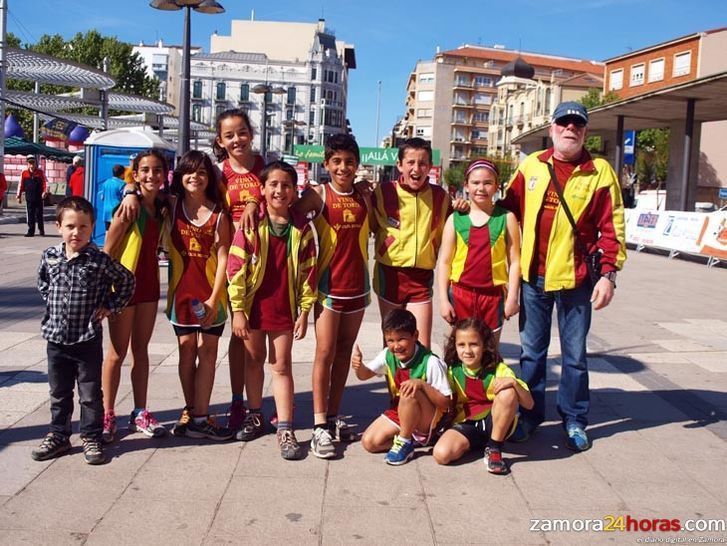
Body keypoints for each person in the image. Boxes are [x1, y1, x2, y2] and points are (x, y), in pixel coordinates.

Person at [499, 101, 626, 451]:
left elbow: (612, 227)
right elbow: (506, 210)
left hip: (577, 280)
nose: (570, 129)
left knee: (574, 355)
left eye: (578, 125)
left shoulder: (599, 171)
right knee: (531, 354)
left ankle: (574, 418)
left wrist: (608, 276)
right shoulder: (532, 165)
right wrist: (469, 211)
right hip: (533, 279)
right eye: (564, 123)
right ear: (552, 128)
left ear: (585, 131)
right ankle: (529, 416)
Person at [32, 196, 135, 465]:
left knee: (90, 393)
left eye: (83, 227)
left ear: (92, 229)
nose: (76, 232)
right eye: (70, 226)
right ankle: (59, 435)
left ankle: (91, 436)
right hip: (56, 339)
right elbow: (43, 281)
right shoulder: (50, 256)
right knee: (59, 392)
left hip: (86, 339)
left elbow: (126, 281)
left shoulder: (99, 260)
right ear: (59, 227)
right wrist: (54, 304)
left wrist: (110, 306)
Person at [227, 161, 317, 459]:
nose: (280, 190)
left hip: (283, 308)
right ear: (262, 189)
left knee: (281, 366)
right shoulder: (251, 224)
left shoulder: (302, 228)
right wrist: (238, 309)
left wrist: (304, 312)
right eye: (273, 185)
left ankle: (286, 427)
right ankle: (255, 414)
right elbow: (235, 267)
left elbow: (308, 273)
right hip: (253, 307)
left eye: (286, 185)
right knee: (253, 361)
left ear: (294, 192)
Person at [289, 134, 371, 458]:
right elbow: (289, 220)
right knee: (324, 352)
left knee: (343, 353)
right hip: (328, 286)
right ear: (326, 164)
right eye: (336, 161)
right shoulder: (317, 195)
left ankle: (334, 416)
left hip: (358, 285)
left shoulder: (365, 195)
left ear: (357, 165)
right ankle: (319, 425)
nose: (343, 167)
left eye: (349, 161)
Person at [101, 150, 170, 443]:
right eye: (145, 170)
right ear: (135, 173)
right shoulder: (129, 207)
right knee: (116, 353)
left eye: (157, 170)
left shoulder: (164, 207)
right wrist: (102, 290)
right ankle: (106, 414)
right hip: (122, 288)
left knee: (141, 351)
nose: (151, 175)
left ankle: (140, 411)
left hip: (149, 287)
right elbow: (107, 250)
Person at [166, 150, 233, 441]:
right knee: (185, 351)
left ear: (209, 178)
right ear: (180, 176)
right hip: (180, 296)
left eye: (202, 172)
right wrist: (130, 191)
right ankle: (191, 410)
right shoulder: (171, 206)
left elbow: (224, 258)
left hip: (210, 298)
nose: (195, 177)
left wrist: (214, 299)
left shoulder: (219, 215)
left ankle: (201, 418)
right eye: (189, 171)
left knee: (208, 353)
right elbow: (143, 189)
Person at [370, 138, 451, 349]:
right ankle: (394, 384)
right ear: (399, 165)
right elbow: (366, 225)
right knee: (393, 344)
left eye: (423, 163)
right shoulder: (382, 192)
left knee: (421, 346)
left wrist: (463, 207)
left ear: (430, 166)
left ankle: (417, 383)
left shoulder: (441, 197)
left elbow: (457, 227)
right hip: (389, 274)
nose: (417, 168)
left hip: (421, 277)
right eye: (411, 162)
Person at [213, 108, 265, 432]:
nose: (237, 139)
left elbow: (282, 197)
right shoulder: (219, 175)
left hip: (267, 262)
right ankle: (236, 400)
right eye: (229, 135)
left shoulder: (266, 167)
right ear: (221, 140)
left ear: (251, 133)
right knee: (239, 333)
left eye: (242, 132)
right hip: (236, 266)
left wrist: (254, 203)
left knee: (263, 335)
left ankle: (257, 404)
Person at [432, 318, 533, 474]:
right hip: (467, 422)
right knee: (441, 455)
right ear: (455, 346)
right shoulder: (452, 370)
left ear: (485, 346)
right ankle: (475, 442)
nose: (467, 350)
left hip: (495, 420)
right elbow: (444, 402)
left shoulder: (499, 369)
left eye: (474, 344)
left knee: (508, 391)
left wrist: (514, 383)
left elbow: (529, 404)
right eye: (461, 345)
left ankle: (494, 448)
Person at [437, 159, 521, 346]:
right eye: (475, 183)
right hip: (460, 293)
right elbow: (444, 262)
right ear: (466, 186)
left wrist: (513, 297)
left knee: (489, 352)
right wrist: (443, 299)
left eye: (487, 183)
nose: (481, 188)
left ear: (496, 186)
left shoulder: (507, 218)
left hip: (492, 296)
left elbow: (515, 261)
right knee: (460, 352)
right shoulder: (455, 219)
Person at [352, 309, 452, 466]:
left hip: (428, 419)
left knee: (409, 389)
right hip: (402, 409)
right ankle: (410, 441)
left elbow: (446, 403)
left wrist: (422, 385)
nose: (396, 346)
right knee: (369, 442)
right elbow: (365, 375)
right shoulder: (387, 354)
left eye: (401, 339)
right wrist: (359, 366)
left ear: (415, 336)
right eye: (390, 340)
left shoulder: (431, 362)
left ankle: (405, 441)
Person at [17, 155, 48, 237]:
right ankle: (31, 231)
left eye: (33, 163)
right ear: (27, 163)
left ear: (35, 163)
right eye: (30, 163)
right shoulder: (24, 173)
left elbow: (46, 183)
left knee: (39, 214)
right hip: (29, 198)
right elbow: (21, 184)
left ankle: (41, 230)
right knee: (30, 215)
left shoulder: (40, 172)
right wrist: (18, 196)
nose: (31, 165)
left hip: (39, 197)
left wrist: (45, 192)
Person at [99, 164, 127, 231]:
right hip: (116, 212)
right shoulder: (123, 184)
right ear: (122, 174)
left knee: (107, 232)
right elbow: (125, 199)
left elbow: (102, 197)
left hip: (106, 212)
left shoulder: (106, 182)